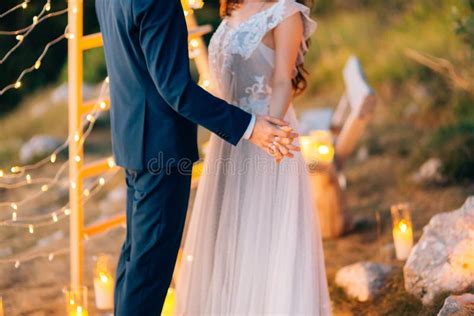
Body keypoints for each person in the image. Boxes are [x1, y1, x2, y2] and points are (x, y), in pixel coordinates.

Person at [95, 0, 300, 314]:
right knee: (149, 270)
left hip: (132, 139)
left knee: (135, 258)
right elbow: (176, 90)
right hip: (161, 150)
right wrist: (250, 127)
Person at [176, 0, 331, 314]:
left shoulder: (286, 12)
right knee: (227, 236)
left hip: (267, 136)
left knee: (262, 236)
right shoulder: (233, 6)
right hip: (230, 136)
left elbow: (281, 82)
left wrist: (271, 136)